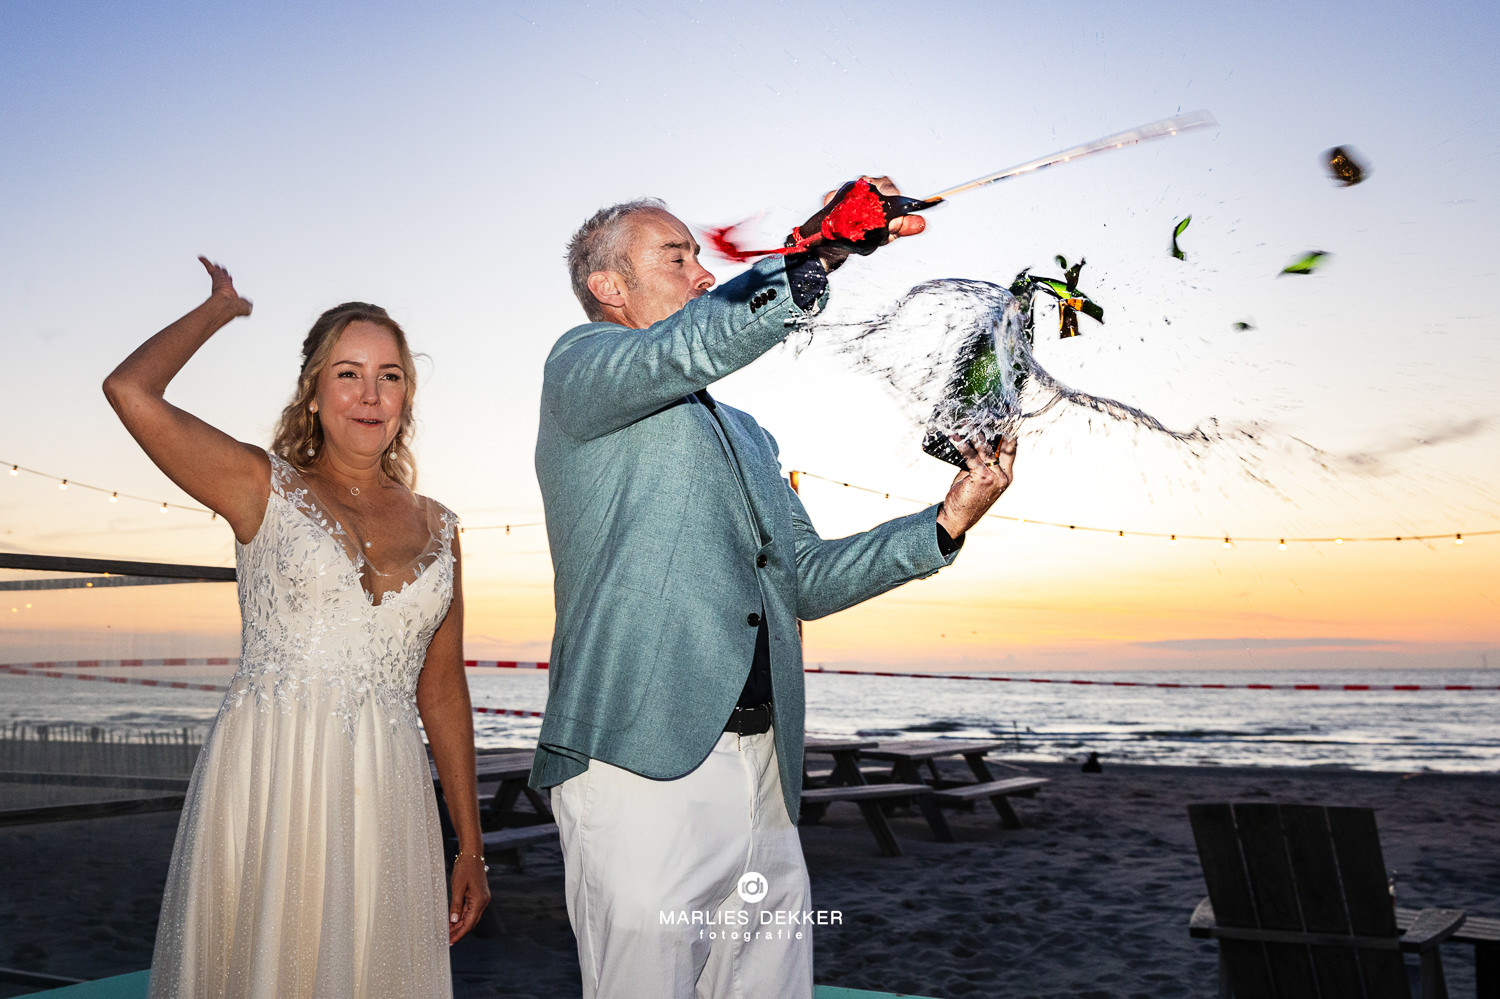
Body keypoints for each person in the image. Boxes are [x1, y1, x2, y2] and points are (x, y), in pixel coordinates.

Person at [532, 179, 1017, 998]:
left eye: (697, 256)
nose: (701, 273)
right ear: (608, 286)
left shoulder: (752, 435)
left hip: (765, 772)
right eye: (675, 257)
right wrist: (815, 253)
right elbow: (683, 350)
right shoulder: (579, 369)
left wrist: (945, 521)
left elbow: (806, 579)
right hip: (640, 765)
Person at [103, 258, 489, 998]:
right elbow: (130, 391)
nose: (370, 395)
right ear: (313, 392)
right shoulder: (259, 485)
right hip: (271, 776)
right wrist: (220, 309)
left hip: (386, 789)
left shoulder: (440, 527)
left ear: (407, 396)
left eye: (389, 376)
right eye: (348, 374)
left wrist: (470, 845)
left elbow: (442, 690)